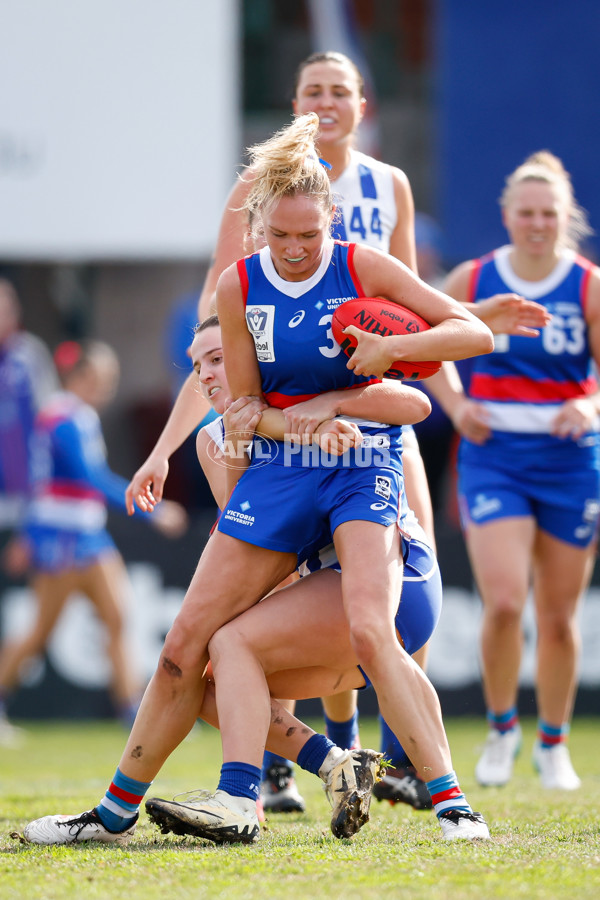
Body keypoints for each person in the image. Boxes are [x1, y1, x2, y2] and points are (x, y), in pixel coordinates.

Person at [19, 112, 493, 848]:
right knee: (187, 646)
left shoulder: (362, 265)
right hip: (284, 469)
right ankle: (117, 815)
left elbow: (473, 334)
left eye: (311, 235)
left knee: (370, 626)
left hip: (361, 467)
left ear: (331, 221)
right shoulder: (239, 289)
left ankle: (452, 803)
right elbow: (242, 415)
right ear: (258, 226)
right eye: (281, 236)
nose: (297, 250)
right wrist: (299, 420)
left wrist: (393, 348)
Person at [442, 150, 600, 791]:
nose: (537, 223)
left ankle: (552, 743)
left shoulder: (587, 284)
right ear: (507, 215)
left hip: (569, 461)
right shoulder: (475, 277)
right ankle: (502, 729)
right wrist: (456, 406)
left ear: (565, 219)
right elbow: (422, 339)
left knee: (560, 615)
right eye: (526, 212)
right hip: (494, 456)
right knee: (505, 601)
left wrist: (588, 405)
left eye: (549, 214)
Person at [0, 340, 187, 731]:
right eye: (104, 379)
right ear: (81, 376)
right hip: (64, 539)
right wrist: (151, 510)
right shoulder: (62, 417)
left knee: (118, 617)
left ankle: (131, 713)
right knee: (40, 630)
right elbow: (89, 478)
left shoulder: (75, 415)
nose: (109, 388)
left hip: (88, 535)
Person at [0, 279, 59, 744]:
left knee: (27, 616)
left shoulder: (26, 358)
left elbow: (48, 430)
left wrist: (33, 522)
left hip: (22, 509)